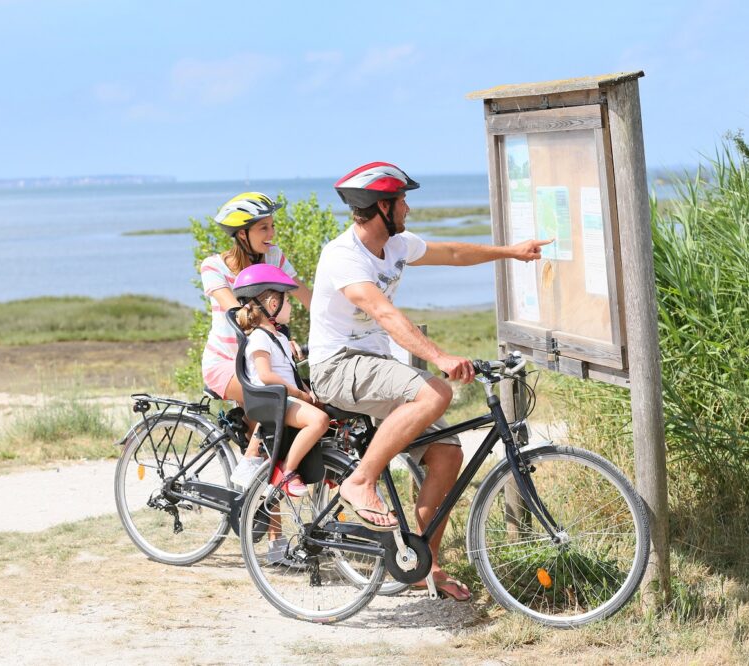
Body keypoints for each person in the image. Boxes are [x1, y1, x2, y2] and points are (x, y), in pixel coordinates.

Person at [308, 161, 551, 600]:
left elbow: (453, 254)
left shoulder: (398, 244)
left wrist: (511, 252)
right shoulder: (342, 256)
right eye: (401, 200)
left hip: (375, 367)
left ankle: (427, 568)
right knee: (434, 390)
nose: (408, 207)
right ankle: (360, 481)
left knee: (446, 454)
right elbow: (383, 312)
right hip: (337, 366)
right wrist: (438, 356)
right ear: (381, 207)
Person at [198, 192, 311, 487]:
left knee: (276, 447)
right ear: (241, 235)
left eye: (272, 226)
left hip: (261, 359)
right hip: (226, 364)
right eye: (264, 228)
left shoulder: (274, 257)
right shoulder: (214, 267)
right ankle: (249, 462)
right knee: (275, 399)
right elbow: (239, 315)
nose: (272, 234)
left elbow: (305, 294)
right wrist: (279, 340)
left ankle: (272, 532)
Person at [233, 264, 329, 498]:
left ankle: (326, 468)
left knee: (327, 409)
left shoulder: (279, 338)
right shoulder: (258, 338)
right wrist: (299, 394)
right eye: (288, 302)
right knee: (319, 420)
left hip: (283, 398)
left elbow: (289, 372)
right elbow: (266, 375)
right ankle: (286, 470)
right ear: (273, 305)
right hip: (272, 401)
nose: (291, 307)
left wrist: (307, 390)